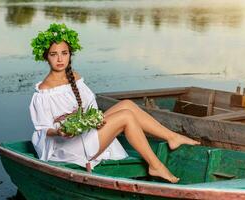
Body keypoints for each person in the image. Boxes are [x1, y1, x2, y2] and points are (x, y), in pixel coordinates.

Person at [29, 23, 200, 183]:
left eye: (64, 53)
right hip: (67, 148)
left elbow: (90, 109)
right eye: (54, 54)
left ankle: (172, 137)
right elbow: (43, 130)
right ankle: (155, 165)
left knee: (127, 104)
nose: (60, 59)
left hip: (85, 132)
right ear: (46, 57)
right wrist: (59, 132)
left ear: (70, 54)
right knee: (126, 116)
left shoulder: (75, 77)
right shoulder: (44, 92)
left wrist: (96, 119)